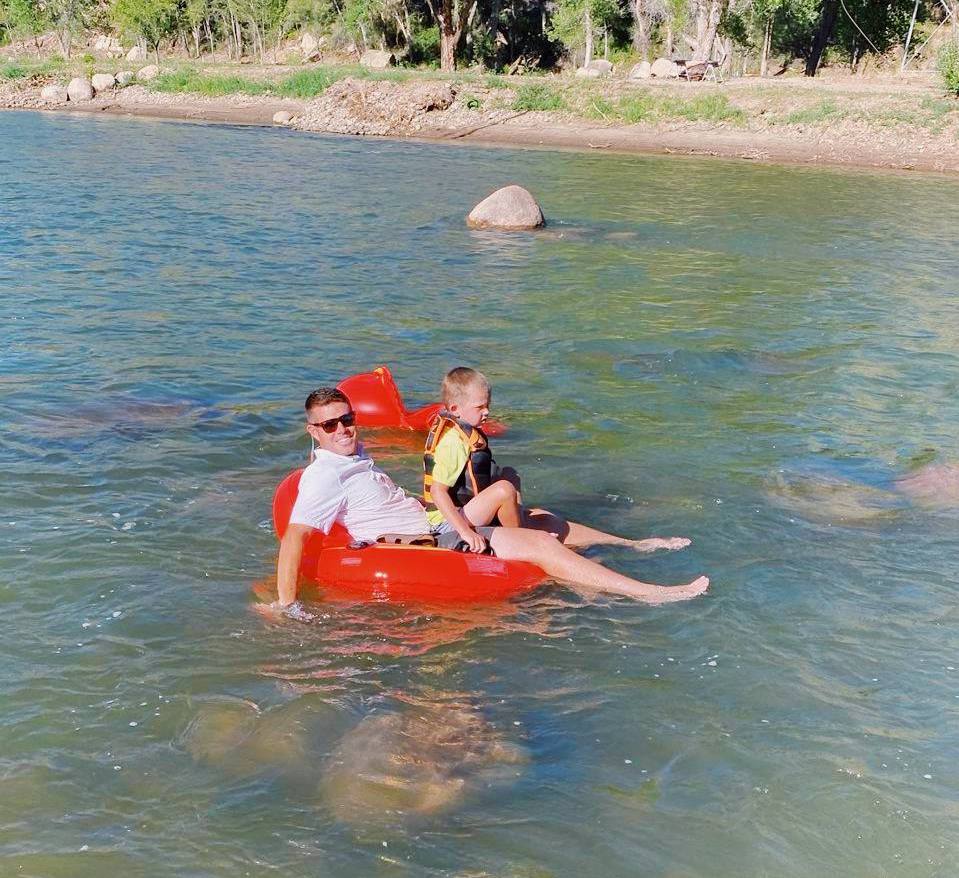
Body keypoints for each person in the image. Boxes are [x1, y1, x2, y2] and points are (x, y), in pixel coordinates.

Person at [272, 387, 709, 615]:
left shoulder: (352, 455)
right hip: (421, 541)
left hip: (431, 523)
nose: (344, 429)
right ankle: (650, 594)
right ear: (314, 432)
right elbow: (295, 537)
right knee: (540, 545)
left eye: (347, 419)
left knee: (541, 519)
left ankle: (632, 545)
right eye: (330, 425)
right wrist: (286, 605)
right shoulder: (323, 475)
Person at [423, 366, 689, 555]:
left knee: (511, 477)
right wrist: (467, 533)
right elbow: (438, 491)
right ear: (456, 409)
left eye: (488, 404)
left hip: (469, 510)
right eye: (480, 407)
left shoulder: (466, 433)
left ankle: (630, 544)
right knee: (504, 489)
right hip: (447, 521)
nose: (488, 411)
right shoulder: (452, 442)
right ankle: (524, 540)